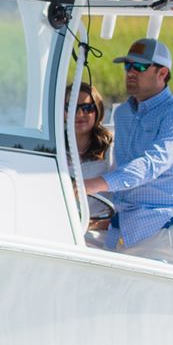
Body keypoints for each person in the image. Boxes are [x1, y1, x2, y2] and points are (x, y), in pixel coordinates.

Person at [83, 38, 173, 260]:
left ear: (162, 73)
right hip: (121, 228)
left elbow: (152, 164)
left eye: (140, 67)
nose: (131, 72)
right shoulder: (123, 113)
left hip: (163, 228)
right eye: (127, 66)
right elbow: (122, 168)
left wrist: (90, 185)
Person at [72, 79, 115, 240]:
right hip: (64, 226)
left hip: (99, 232)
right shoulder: (54, 148)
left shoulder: (110, 149)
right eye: (71, 108)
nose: (79, 114)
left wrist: (93, 224)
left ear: (97, 111)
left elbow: (122, 199)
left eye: (87, 108)